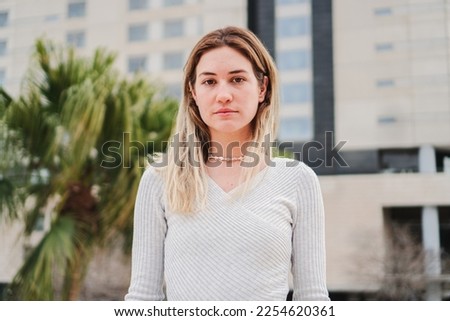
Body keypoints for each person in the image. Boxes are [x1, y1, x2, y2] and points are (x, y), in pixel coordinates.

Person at [124, 26, 329, 301]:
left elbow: (313, 301)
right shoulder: (160, 180)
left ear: (262, 88)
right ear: (193, 92)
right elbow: (143, 299)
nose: (223, 95)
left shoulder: (298, 180)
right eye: (209, 82)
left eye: (237, 79)